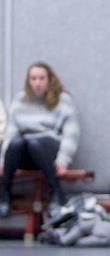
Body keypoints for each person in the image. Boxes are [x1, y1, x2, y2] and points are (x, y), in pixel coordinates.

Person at [0, 62, 80, 219]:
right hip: (25, 151)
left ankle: (56, 192)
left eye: (41, 78)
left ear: (49, 79)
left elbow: (71, 134)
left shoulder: (62, 100)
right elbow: (10, 133)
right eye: (33, 78)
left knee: (35, 142)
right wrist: (3, 160)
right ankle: (5, 194)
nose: (37, 82)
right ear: (28, 81)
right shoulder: (20, 100)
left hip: (49, 148)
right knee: (17, 142)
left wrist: (63, 160)